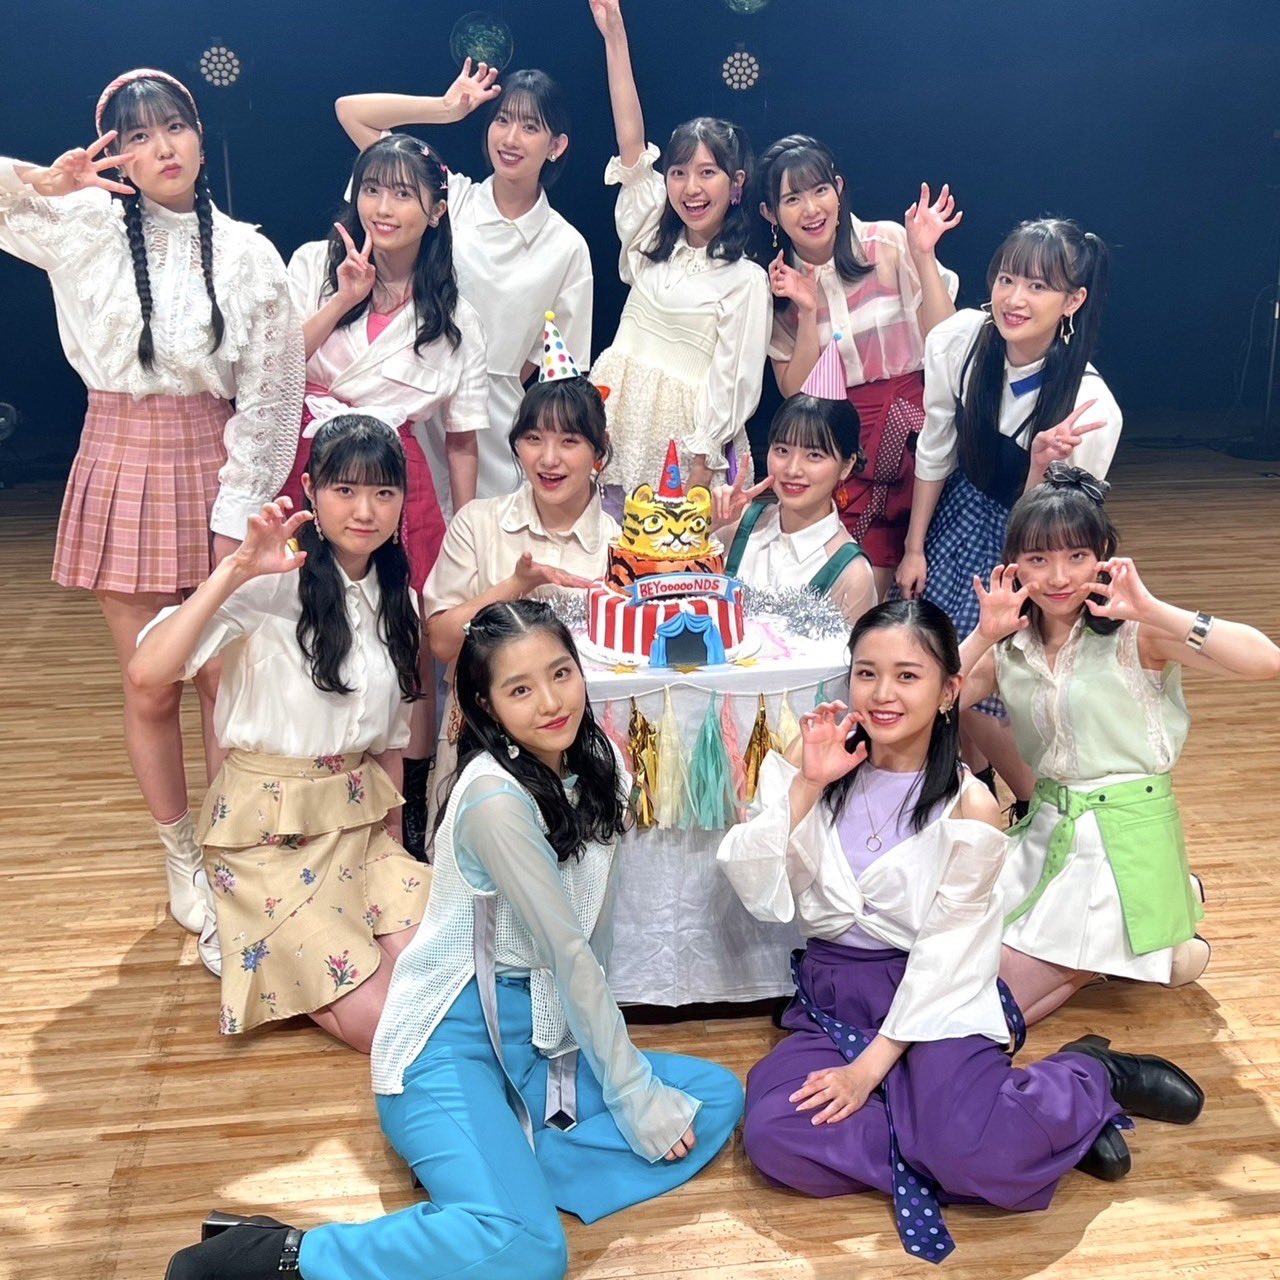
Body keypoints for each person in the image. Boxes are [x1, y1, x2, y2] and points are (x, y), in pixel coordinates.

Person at [165, 599, 745, 1280]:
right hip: (449, 1045)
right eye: (519, 689)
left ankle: (496, 1182)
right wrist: (633, 1096)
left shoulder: (601, 762)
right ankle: (283, 1255)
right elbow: (569, 956)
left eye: (561, 673)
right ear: (485, 706)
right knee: (532, 1252)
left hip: (540, 1047)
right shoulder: (496, 803)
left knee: (715, 1098)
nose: (551, 702)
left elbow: (599, 931)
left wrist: (625, 1082)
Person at [717, 600, 1205, 1261]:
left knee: (971, 1149)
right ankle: (969, 1140)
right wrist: (807, 786)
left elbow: (948, 954)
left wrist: (868, 1071)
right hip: (835, 1001)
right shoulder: (816, 758)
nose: (882, 694)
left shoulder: (969, 804)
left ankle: (1088, 1076)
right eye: (867, 673)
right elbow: (753, 883)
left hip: (937, 999)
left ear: (949, 691)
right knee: (776, 1136)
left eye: (907, 676)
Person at [0, 69, 305, 942]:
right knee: (149, 682)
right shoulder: (81, 224)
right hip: (118, 458)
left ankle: (228, 855)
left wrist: (235, 517)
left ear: (201, 138)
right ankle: (180, 860)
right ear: (119, 156)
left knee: (223, 687)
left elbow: (273, 396)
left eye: (174, 126)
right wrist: (40, 182)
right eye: (137, 136)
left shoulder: (248, 254)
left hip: (218, 468)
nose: (161, 147)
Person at [129, 417, 429, 1049]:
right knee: (386, 1024)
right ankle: (237, 921)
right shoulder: (270, 582)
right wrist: (235, 570)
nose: (365, 511)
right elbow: (148, 671)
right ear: (312, 491)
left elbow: (389, 746)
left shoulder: (399, 599)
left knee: (442, 965)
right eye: (345, 490)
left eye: (383, 492)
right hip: (268, 835)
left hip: (357, 826)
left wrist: (399, 850)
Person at [960, 466, 1280, 1023]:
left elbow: (1265, 660)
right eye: (1038, 559)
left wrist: (1155, 610)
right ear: (1013, 566)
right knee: (963, 950)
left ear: (1104, 557)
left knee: (997, 1001)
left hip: (1124, 841)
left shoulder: (1139, 634)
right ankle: (1161, 930)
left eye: (1077, 556)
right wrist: (982, 634)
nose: (1059, 576)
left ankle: (1157, 924)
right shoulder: (1009, 648)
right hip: (1048, 832)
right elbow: (930, 705)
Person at [282, 133, 490, 853]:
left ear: (437, 209)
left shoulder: (454, 316)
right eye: (372, 188)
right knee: (307, 625)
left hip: (398, 483)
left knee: (407, 647)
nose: (384, 206)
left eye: (404, 193)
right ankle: (316, 804)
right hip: (311, 466)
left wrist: (465, 534)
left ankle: (409, 823)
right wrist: (345, 297)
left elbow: (461, 439)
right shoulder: (312, 266)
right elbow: (273, 367)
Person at [896, 216, 1120, 801]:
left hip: (1032, 555)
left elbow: (1060, 536)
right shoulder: (961, 342)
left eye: (1038, 286)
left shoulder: (1089, 405)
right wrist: (915, 546)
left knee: (981, 695)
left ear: (1073, 301)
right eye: (1006, 279)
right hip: (960, 521)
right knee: (938, 670)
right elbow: (936, 447)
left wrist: (1040, 467)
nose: (1015, 299)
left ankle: (1043, 811)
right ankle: (974, 794)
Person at [335, 58, 592, 508]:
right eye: (502, 120)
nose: (510, 138)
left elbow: (557, 368)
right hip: (408, 400)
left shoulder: (567, 246)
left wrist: (487, 379)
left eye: (530, 127)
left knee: (478, 536)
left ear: (556, 145)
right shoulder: (449, 197)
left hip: (493, 425)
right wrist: (445, 109)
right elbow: (351, 112)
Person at [759, 134, 960, 596]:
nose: (811, 209)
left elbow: (945, 339)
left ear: (839, 188)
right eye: (792, 198)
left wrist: (923, 255)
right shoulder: (778, 285)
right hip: (847, 447)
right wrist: (807, 310)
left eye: (820, 190)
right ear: (771, 213)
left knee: (931, 579)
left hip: (921, 431)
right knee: (857, 582)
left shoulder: (888, 243)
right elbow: (797, 393)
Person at [587, 0, 770, 506]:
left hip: (685, 455)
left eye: (707, 172)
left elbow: (732, 384)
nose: (691, 187)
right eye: (679, 172)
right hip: (614, 424)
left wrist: (698, 474)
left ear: (735, 183)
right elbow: (630, 141)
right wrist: (615, 37)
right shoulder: (651, 237)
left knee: (663, 555)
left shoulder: (745, 280)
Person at [712, 340, 877, 627]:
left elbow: (855, 656)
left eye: (814, 455)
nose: (792, 469)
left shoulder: (851, 573)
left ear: (847, 465)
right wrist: (709, 524)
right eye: (782, 450)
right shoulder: (738, 527)